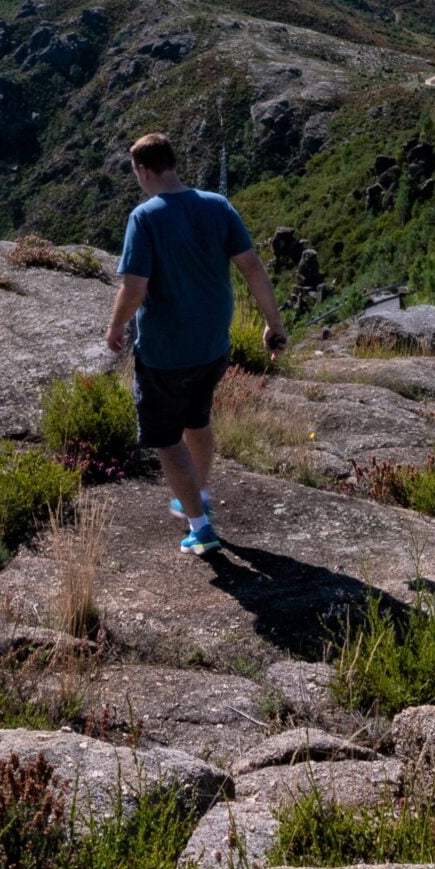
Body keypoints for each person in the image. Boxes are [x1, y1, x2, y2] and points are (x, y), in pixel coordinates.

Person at [104, 132, 286, 553]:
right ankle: (197, 492)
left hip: (165, 353)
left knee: (167, 439)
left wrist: (115, 327)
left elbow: (134, 289)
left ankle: (200, 527)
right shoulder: (217, 206)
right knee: (197, 420)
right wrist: (272, 324)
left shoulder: (145, 217)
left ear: (144, 170)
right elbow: (253, 267)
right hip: (212, 349)